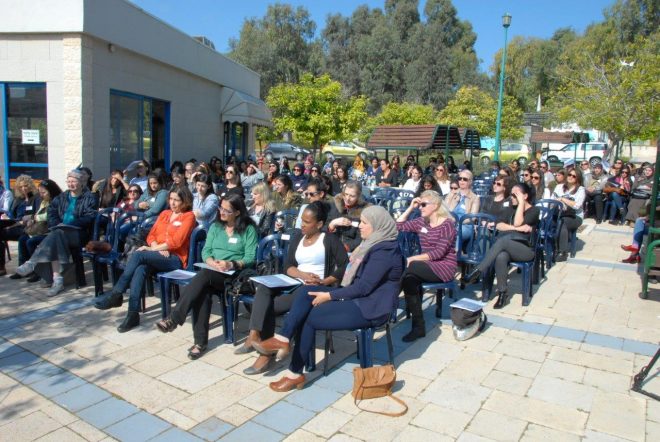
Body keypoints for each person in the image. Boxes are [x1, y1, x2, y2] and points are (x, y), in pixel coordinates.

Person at [252, 206, 404, 392]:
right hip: (357, 298)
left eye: (364, 223)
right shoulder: (372, 244)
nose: (359, 226)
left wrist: (329, 295)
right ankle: (283, 338)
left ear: (378, 225)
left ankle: (294, 373)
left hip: (371, 308)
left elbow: (363, 288)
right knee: (306, 291)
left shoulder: (384, 251)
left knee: (308, 317)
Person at [239, 201, 349, 374]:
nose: (302, 224)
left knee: (268, 307)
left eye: (307, 222)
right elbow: (288, 266)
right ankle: (255, 335)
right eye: (302, 220)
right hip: (294, 281)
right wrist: (303, 275)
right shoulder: (298, 237)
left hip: (311, 289)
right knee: (264, 288)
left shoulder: (329, 240)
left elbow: (344, 266)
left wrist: (324, 281)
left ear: (319, 224)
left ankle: (266, 355)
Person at [155, 194, 258, 359]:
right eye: (220, 208)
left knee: (203, 278)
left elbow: (250, 257)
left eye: (227, 210)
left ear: (237, 212)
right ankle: (199, 342)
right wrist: (210, 261)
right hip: (213, 271)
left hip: (234, 275)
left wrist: (231, 264)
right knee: (203, 290)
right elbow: (206, 251)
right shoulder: (216, 227)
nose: (221, 212)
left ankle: (175, 320)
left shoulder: (249, 229)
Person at [93, 186, 196, 332]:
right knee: (141, 268)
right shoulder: (165, 213)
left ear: (185, 201)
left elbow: (176, 242)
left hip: (175, 258)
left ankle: (116, 294)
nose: (172, 203)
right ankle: (132, 314)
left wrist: (153, 249)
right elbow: (151, 235)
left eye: (177, 200)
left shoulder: (188, 216)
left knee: (139, 254)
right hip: (157, 254)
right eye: (171, 199)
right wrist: (156, 247)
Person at [15, 170, 98, 296]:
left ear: (81, 182)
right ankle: (57, 280)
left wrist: (70, 225)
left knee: (56, 235)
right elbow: (51, 213)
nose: (70, 184)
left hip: (79, 233)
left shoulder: (90, 197)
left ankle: (32, 263)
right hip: (60, 231)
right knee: (57, 237)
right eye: (68, 181)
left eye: (73, 181)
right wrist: (57, 224)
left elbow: (89, 217)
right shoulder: (62, 197)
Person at [462, 183, 541, 308]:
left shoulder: (534, 210)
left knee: (503, 241)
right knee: (501, 256)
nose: (511, 197)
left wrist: (521, 203)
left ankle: (477, 271)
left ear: (525, 196)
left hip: (525, 249)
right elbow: (498, 225)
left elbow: (518, 221)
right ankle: (503, 293)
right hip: (507, 246)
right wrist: (516, 228)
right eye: (511, 195)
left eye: (515, 195)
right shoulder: (510, 208)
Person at [396, 191, 456, 342]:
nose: (420, 207)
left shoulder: (447, 224)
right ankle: (418, 326)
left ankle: (386, 304)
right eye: (419, 204)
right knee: (409, 279)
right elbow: (398, 226)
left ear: (435, 206)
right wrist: (410, 207)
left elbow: (439, 253)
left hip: (444, 266)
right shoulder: (421, 221)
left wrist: (412, 258)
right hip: (425, 265)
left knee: (409, 267)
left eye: (423, 204)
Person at [12, 179, 63, 282]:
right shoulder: (43, 201)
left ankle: (37, 270)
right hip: (42, 228)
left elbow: (49, 216)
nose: (41, 195)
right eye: (40, 192)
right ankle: (24, 268)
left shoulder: (57, 200)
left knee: (31, 242)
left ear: (51, 191)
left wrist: (35, 218)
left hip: (50, 230)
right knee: (23, 239)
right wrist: (33, 219)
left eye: (43, 192)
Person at [0, 175, 39, 276]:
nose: (23, 188)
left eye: (25, 186)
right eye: (20, 187)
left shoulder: (36, 198)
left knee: (23, 238)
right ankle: (1, 267)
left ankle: (23, 269)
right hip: (15, 225)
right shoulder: (18, 200)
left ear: (30, 186)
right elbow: (12, 215)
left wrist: (23, 220)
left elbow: (36, 215)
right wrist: (6, 216)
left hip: (29, 227)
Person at [552, 168, 585, 262]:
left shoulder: (581, 190)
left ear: (578, 178)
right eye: (569, 175)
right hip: (559, 213)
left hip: (575, 216)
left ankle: (562, 252)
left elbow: (577, 206)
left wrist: (562, 199)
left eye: (574, 176)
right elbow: (552, 200)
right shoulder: (559, 187)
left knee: (562, 222)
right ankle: (550, 247)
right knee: (547, 222)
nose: (570, 177)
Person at [327, 181, 371, 252]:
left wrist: (347, 247)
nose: (347, 198)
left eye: (352, 196)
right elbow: (323, 228)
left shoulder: (363, 211)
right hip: (331, 244)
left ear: (358, 196)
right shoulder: (334, 205)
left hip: (350, 249)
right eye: (346, 194)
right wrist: (332, 224)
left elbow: (362, 237)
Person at [445, 170, 480, 240]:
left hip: (465, 226)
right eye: (460, 178)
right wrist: (454, 200)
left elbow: (472, 218)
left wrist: (457, 222)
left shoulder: (474, 198)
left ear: (470, 181)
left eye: (465, 179)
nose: (461, 181)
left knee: (455, 232)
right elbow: (445, 210)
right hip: (450, 223)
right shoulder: (451, 194)